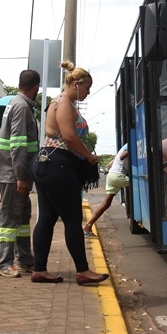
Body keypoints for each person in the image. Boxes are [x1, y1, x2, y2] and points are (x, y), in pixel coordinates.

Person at [29, 61, 109, 285]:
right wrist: (90, 156)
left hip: (46, 162)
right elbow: (70, 136)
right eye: (87, 88)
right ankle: (83, 271)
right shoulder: (64, 102)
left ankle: (40, 269)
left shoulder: (58, 102)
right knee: (73, 219)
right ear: (76, 84)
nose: (88, 92)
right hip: (58, 164)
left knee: (46, 218)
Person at [0, 69, 41, 278]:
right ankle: (3, 264)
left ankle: (25, 260)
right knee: (10, 218)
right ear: (36, 88)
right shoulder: (21, 107)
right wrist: (21, 176)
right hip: (14, 174)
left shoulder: (15, 103)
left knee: (21, 218)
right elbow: (18, 144)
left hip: (14, 172)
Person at [82, 144, 129, 237]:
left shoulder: (123, 146)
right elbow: (122, 156)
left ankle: (88, 225)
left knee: (106, 204)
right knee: (140, 188)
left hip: (111, 175)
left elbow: (109, 165)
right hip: (118, 176)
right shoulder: (130, 144)